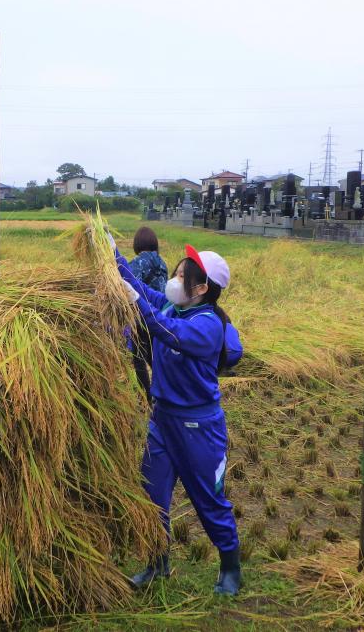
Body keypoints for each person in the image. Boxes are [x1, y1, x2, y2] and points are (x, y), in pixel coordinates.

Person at [116, 242, 241, 595]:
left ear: (202, 289)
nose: (175, 279)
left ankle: (231, 566)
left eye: (183, 276)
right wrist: (115, 257)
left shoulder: (207, 325)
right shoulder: (176, 306)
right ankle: (157, 563)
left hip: (198, 427)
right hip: (163, 420)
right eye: (177, 272)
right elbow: (145, 295)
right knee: (152, 495)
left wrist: (134, 303)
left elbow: (162, 328)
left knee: (208, 499)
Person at [126, 227, 168, 401]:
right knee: (155, 355)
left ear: (137, 244)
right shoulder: (161, 262)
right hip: (161, 315)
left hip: (142, 316)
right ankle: (165, 388)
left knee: (138, 357)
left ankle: (146, 396)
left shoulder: (138, 262)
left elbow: (127, 281)